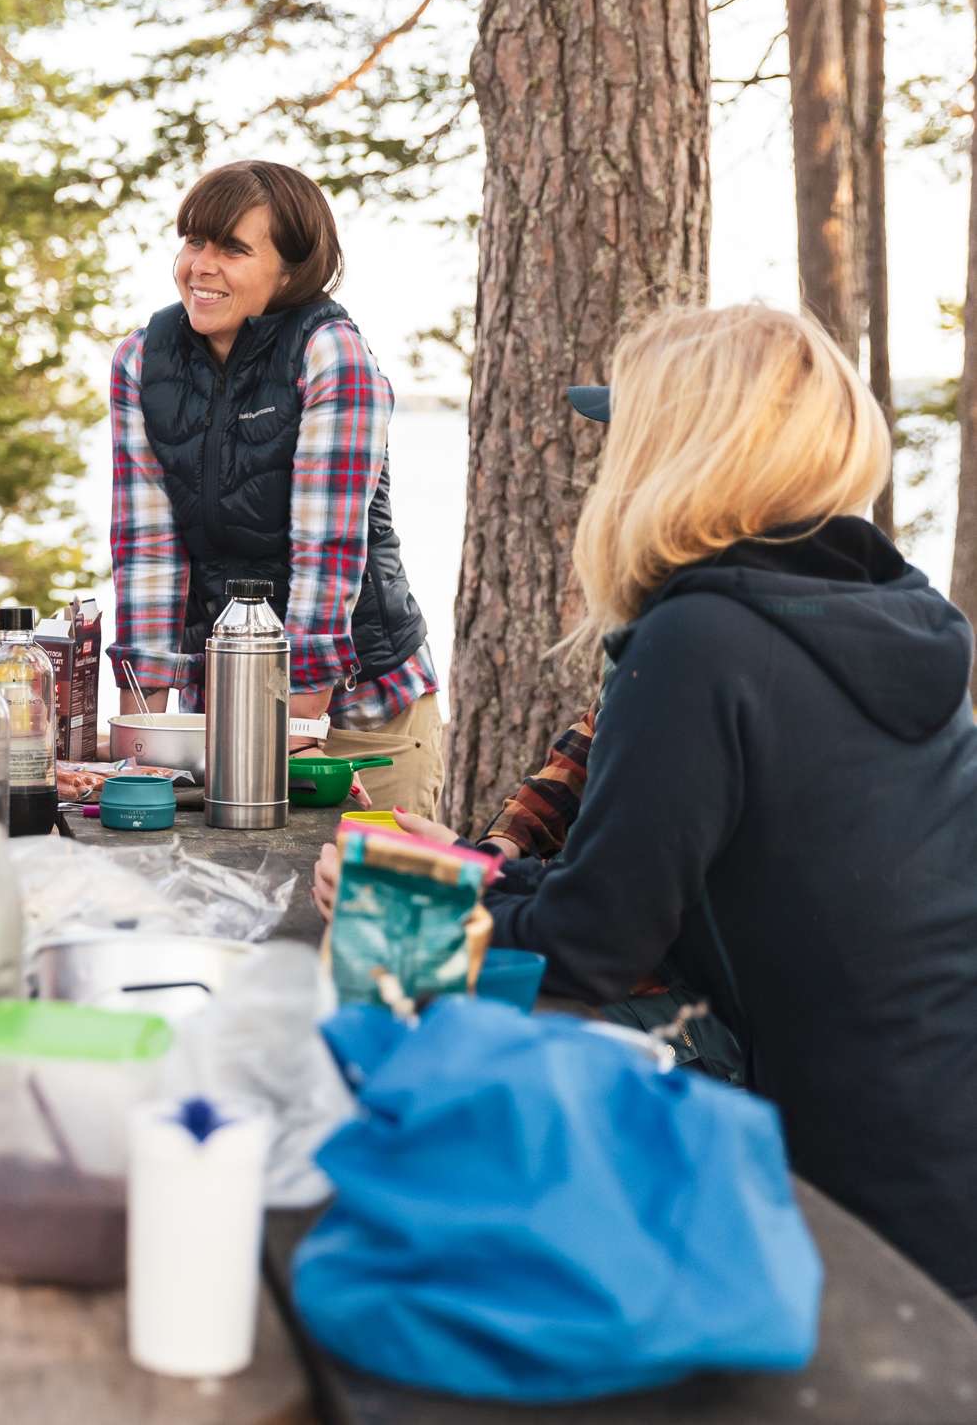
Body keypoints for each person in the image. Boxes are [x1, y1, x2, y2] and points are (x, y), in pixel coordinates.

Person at [359, 304, 977, 1311]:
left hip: (845, 1191)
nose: (607, 470)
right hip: (940, 1130)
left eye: (627, 439)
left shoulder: (706, 641)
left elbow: (590, 942)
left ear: (687, 457)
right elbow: (653, 879)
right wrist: (472, 871)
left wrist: (397, 902)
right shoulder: (893, 615)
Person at [107, 160, 442, 814]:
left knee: (367, 906)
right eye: (194, 241)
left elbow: (327, 558)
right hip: (226, 706)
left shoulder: (332, 354)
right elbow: (148, 555)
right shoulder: (142, 358)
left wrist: (298, 734)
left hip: (357, 713)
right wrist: (141, 742)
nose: (201, 265)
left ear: (292, 269)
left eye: (232, 248)